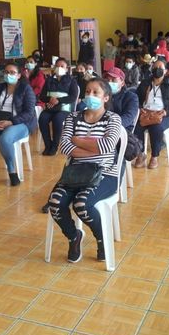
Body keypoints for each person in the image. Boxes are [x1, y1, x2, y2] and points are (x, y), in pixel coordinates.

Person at [47, 79, 122, 263]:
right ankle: (74, 236)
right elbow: (64, 147)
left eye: (96, 92)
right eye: (88, 91)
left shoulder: (113, 118)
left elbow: (107, 146)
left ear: (106, 97)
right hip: (75, 172)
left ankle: (102, 238)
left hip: (104, 173)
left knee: (82, 204)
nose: (90, 95)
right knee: (55, 203)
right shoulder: (73, 117)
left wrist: (78, 141)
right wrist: (93, 149)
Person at [133, 60, 169, 169]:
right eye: (155, 67)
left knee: (156, 128)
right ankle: (141, 154)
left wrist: (166, 111)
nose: (157, 69)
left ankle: (154, 156)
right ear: (151, 69)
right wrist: (140, 108)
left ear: (165, 71)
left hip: (164, 114)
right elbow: (136, 99)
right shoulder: (145, 83)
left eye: (160, 68)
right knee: (136, 127)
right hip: (146, 113)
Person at [38, 58, 79, 155]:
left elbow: (73, 97)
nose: (59, 68)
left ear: (66, 68)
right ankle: (48, 145)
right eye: (57, 66)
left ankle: (54, 146)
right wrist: (49, 99)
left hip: (64, 108)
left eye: (62, 66)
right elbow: (42, 96)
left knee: (57, 119)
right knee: (42, 118)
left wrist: (58, 100)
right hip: (50, 107)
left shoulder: (71, 81)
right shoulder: (49, 80)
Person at [104, 67, 139, 132]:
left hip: (122, 130)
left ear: (122, 83)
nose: (109, 82)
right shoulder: (101, 95)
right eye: (107, 80)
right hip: (101, 128)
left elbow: (128, 117)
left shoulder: (131, 97)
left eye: (113, 80)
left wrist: (111, 126)